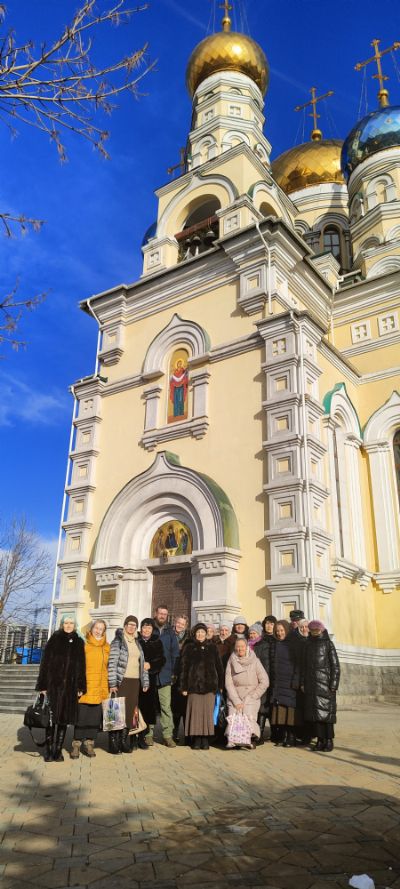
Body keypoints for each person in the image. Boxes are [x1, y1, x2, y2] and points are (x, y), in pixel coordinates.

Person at [36, 614, 86, 763]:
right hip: (54, 686)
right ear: (62, 624)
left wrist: (80, 685)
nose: (68, 625)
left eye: (71, 623)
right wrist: (43, 685)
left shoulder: (78, 642)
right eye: (66, 623)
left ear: (75, 625)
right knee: (51, 719)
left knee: (63, 720)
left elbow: (81, 665)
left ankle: (58, 750)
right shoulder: (55, 639)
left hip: (70, 688)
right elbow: (45, 663)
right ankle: (48, 750)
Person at [108, 615, 149, 754]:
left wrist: (145, 681)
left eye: (134, 625)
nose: (132, 627)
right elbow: (112, 663)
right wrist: (112, 683)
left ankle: (122, 741)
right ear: (125, 625)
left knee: (130, 711)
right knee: (115, 711)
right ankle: (113, 743)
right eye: (129, 624)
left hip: (134, 682)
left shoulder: (137, 642)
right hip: (121, 681)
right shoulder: (118, 641)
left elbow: (142, 664)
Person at [179, 623, 224, 750]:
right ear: (195, 634)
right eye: (198, 632)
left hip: (210, 686)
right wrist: (183, 687)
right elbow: (183, 668)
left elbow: (219, 667)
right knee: (195, 713)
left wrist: (220, 685)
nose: (200, 634)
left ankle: (205, 739)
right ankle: (197, 739)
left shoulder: (213, 647)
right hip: (193, 687)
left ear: (206, 633)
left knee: (207, 713)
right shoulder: (189, 647)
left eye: (202, 632)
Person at [71, 619, 110, 759]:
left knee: (94, 719)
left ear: (104, 631)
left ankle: (89, 744)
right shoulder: (84, 645)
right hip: (85, 688)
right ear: (92, 629)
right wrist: (78, 685)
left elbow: (108, 669)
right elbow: (77, 667)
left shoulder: (107, 647)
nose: (98, 631)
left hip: (100, 687)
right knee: (81, 718)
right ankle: (76, 745)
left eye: (101, 629)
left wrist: (108, 688)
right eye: (96, 628)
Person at [145, 605, 180, 748]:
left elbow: (175, 653)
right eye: (160, 613)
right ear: (156, 613)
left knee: (166, 707)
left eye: (165, 614)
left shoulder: (170, 632)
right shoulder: (148, 628)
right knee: (149, 706)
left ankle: (167, 735)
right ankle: (148, 734)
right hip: (150, 674)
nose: (162, 616)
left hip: (165, 675)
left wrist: (174, 672)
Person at [303, 620, 340, 752]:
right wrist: (303, 683)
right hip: (312, 685)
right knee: (316, 715)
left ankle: (329, 740)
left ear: (321, 630)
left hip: (326, 685)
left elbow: (335, 666)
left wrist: (333, 685)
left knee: (327, 716)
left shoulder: (328, 644)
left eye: (317, 630)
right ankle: (320, 740)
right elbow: (303, 666)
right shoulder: (308, 644)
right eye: (312, 630)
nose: (314, 632)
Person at [225, 638, 269, 749]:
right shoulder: (231, 660)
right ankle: (235, 740)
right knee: (234, 716)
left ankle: (250, 740)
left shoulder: (255, 661)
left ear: (247, 647)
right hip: (235, 695)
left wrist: (254, 696)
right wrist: (236, 700)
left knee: (249, 716)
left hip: (251, 696)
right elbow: (228, 683)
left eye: (242, 646)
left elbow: (265, 681)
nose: (240, 649)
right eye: (238, 646)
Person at [268, 620, 300, 747]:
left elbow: (297, 665)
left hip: (290, 682)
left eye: (281, 630)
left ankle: (291, 737)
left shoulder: (292, 644)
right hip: (278, 682)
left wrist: (296, 680)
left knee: (290, 710)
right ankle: (283, 736)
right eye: (277, 631)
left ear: (286, 630)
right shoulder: (275, 644)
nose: (279, 633)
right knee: (281, 710)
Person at [138, 618, 166, 750]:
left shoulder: (157, 642)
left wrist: (151, 665)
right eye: (144, 627)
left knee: (147, 708)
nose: (146, 630)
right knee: (135, 707)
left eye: (149, 627)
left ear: (152, 629)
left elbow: (162, 659)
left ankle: (143, 736)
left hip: (150, 679)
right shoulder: (136, 641)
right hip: (136, 678)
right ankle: (132, 736)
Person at [253, 614, 277, 744]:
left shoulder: (278, 639)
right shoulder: (260, 641)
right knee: (263, 706)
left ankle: (276, 733)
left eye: (271, 624)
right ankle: (260, 733)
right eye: (267, 623)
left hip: (275, 677)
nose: (269, 626)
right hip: (263, 677)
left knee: (273, 706)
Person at [171, 615, 190, 742]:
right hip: (172, 675)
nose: (180, 625)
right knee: (174, 707)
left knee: (185, 707)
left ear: (185, 626)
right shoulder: (169, 635)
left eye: (182, 624)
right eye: (178, 623)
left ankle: (187, 735)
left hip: (185, 675)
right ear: (175, 622)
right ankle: (174, 733)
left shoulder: (189, 638)